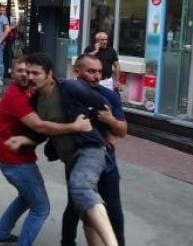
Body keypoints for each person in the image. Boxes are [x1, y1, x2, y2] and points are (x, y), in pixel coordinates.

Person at [0, 58, 93, 246]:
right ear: (11, 73)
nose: (26, 75)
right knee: (41, 208)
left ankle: (0, 234)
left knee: (26, 198)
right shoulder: (17, 97)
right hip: (16, 161)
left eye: (29, 71)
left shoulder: (28, 92)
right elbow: (40, 127)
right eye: (20, 71)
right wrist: (75, 126)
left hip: (12, 157)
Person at [24, 53, 118, 246]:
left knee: (81, 188)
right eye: (28, 73)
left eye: (36, 73)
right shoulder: (35, 100)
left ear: (49, 73)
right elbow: (45, 129)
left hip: (90, 149)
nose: (30, 77)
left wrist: (108, 131)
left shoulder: (69, 87)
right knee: (83, 209)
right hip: (69, 159)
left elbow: (104, 106)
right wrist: (25, 140)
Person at [61, 54, 128, 246]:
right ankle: (67, 242)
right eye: (91, 71)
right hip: (78, 159)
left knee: (114, 210)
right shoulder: (66, 93)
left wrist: (110, 121)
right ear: (77, 71)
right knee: (75, 205)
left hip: (108, 163)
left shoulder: (109, 96)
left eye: (99, 71)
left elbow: (123, 130)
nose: (97, 76)